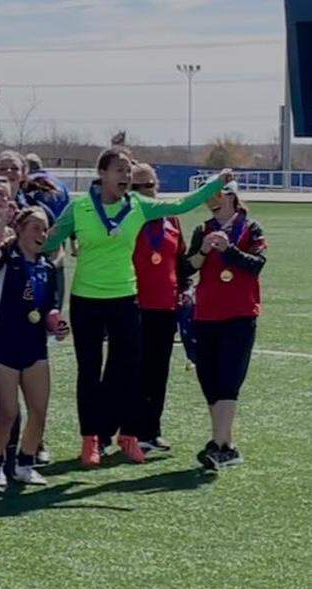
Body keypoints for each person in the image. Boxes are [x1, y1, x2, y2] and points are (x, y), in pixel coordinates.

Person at [41, 147, 232, 467]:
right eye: (119, 170)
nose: (126, 176)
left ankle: (128, 435)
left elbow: (181, 204)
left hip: (125, 298)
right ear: (101, 174)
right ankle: (91, 439)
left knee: (126, 369)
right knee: (89, 372)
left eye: (129, 171)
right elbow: (49, 241)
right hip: (86, 299)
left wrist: (215, 184)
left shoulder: (140, 206)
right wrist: (14, 238)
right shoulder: (80, 208)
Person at [0, 206, 69, 487]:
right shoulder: (7, 260)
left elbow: (50, 308)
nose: (41, 234)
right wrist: (1, 222)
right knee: (7, 412)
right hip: (3, 347)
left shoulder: (47, 267)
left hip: (34, 348)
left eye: (44, 229)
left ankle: (25, 462)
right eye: (35, 227)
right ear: (19, 230)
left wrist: (56, 323)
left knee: (39, 411)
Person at [182, 184, 266, 470]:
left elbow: (257, 264)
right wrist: (203, 251)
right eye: (208, 197)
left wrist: (228, 250)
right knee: (209, 379)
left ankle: (216, 445)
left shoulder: (250, 227)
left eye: (217, 195)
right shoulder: (201, 230)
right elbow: (186, 268)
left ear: (231, 196)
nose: (212, 202)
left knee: (229, 378)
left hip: (240, 314)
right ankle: (227, 445)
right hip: (206, 314)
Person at [130, 163, 182, 453]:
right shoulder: (127, 217)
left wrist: (183, 288)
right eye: (138, 187)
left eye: (150, 185)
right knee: (135, 369)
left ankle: (153, 429)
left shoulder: (170, 218)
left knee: (159, 370)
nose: (145, 191)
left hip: (165, 305)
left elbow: (180, 258)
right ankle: (131, 430)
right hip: (134, 304)